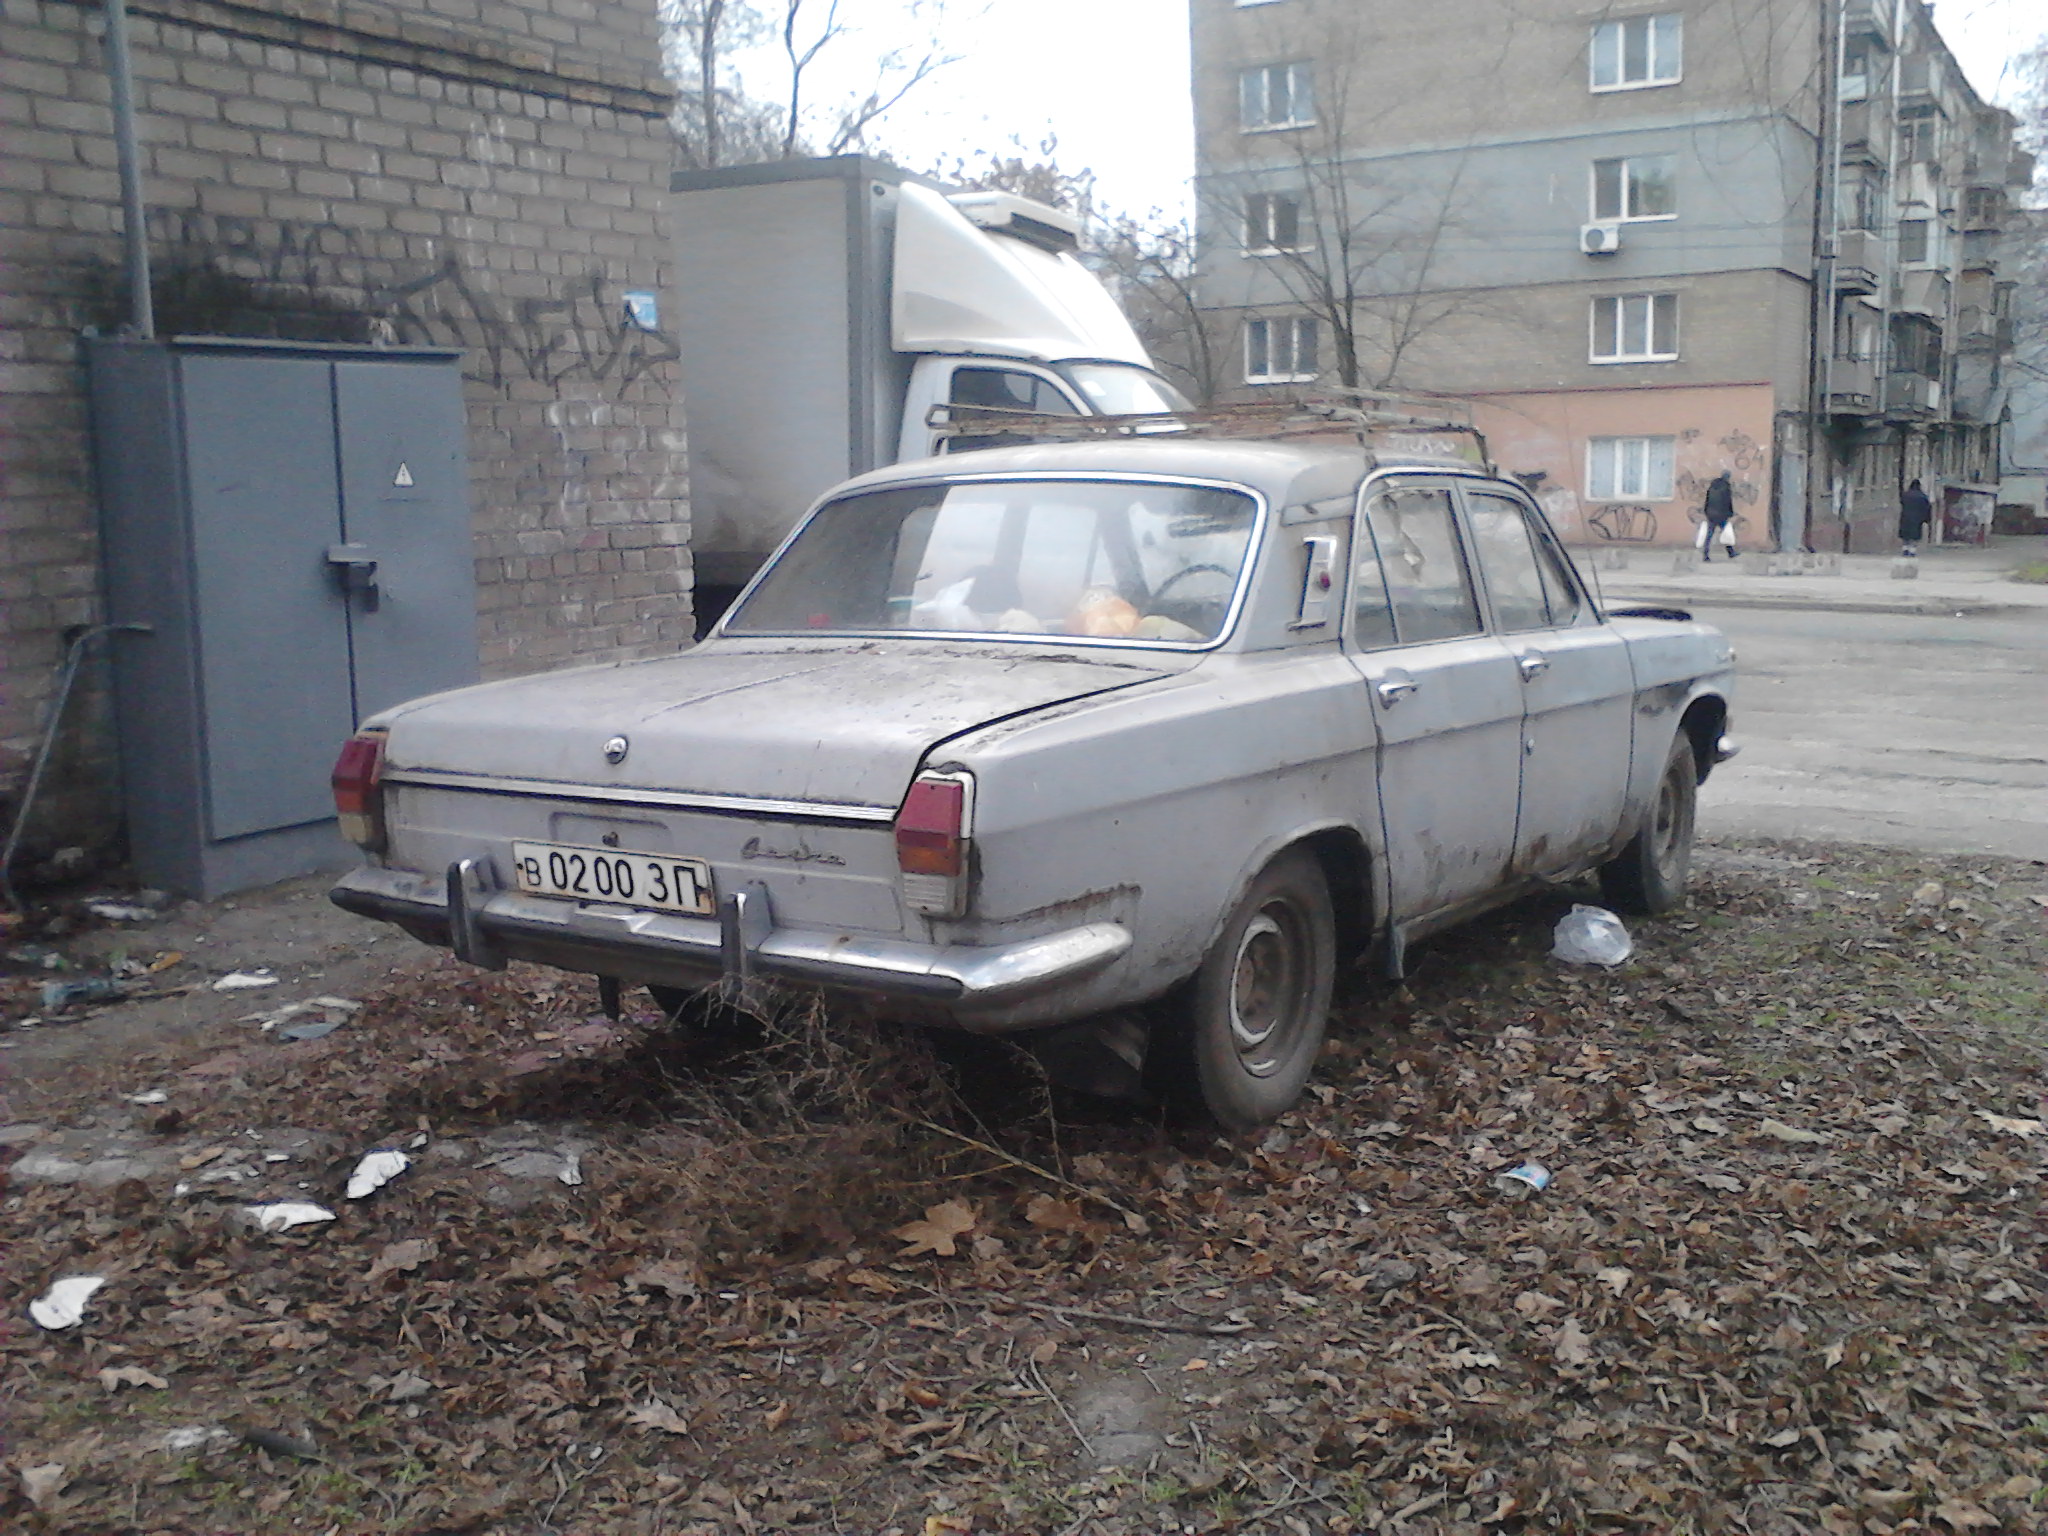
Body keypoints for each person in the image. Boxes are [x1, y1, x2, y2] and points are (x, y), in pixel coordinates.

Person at [1696, 471, 1737, 560]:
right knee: (1726, 533)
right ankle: (1731, 552)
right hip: (1721, 514)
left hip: (1711, 514)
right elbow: (1727, 502)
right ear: (1728, 477)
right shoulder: (1726, 487)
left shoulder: (1712, 486)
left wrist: (1706, 511)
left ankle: (1705, 554)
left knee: (1709, 535)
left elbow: (1707, 500)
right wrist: (1730, 513)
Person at [1898, 478, 1932, 556]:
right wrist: (1927, 519)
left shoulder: (1905, 495)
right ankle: (1912, 550)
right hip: (1917, 519)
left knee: (1905, 535)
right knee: (1915, 535)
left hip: (1905, 518)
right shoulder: (1922, 496)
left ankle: (1905, 549)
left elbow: (1902, 503)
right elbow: (1927, 508)